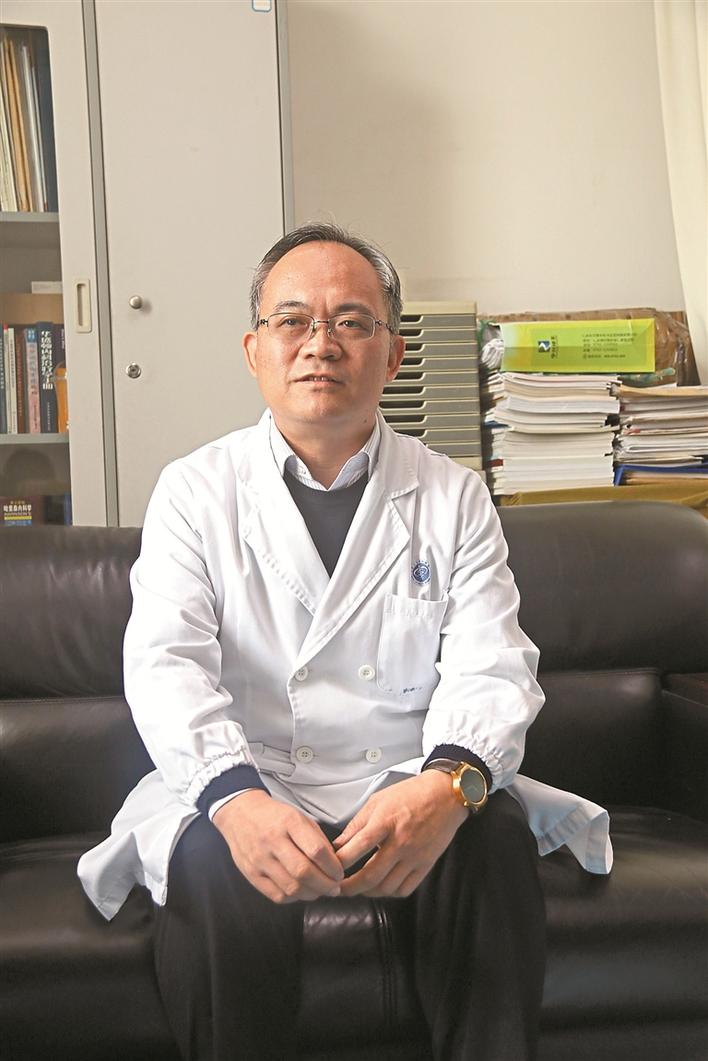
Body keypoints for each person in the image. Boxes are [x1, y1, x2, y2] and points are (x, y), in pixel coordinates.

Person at [78, 222, 612, 1061]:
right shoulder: (194, 491)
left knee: (490, 833)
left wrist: (446, 786)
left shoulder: (454, 496)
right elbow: (165, 664)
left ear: (393, 355)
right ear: (254, 350)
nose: (320, 344)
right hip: (252, 770)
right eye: (293, 321)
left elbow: (493, 663)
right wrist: (234, 798)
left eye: (352, 322)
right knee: (213, 856)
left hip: (403, 773)